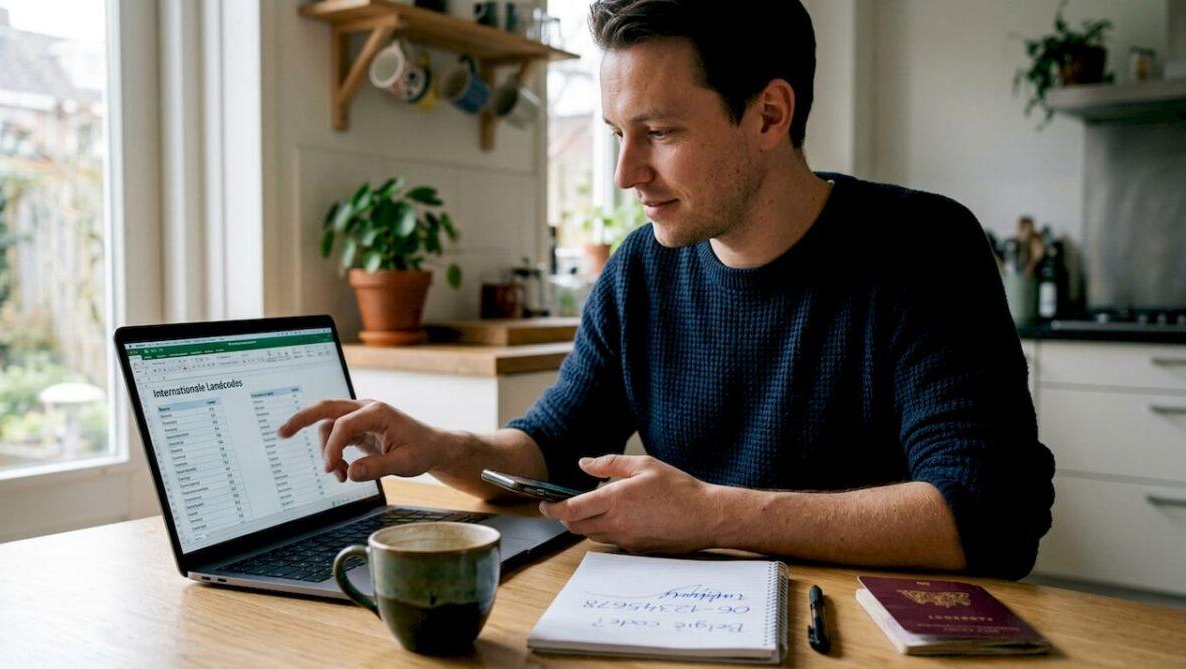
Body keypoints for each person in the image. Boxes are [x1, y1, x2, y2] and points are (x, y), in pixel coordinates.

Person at [279, 0, 1054, 579]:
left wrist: (712, 513)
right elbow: (555, 444)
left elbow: (990, 514)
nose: (626, 173)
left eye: (659, 132)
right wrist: (439, 447)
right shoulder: (640, 270)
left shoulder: (923, 248)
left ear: (769, 115)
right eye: (618, 134)